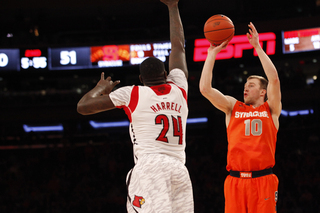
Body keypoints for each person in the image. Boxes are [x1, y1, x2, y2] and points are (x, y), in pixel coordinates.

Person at [77, 0, 194, 212]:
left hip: (150, 168)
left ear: (141, 79)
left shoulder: (133, 93)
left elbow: (83, 106)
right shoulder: (179, 88)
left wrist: (100, 87)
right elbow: (178, 47)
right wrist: (173, 7)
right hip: (179, 169)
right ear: (166, 74)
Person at [199, 22, 281, 213]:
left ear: (263, 92)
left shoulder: (272, 109)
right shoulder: (232, 107)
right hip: (235, 181)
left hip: (263, 180)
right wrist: (211, 54)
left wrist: (258, 47)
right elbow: (204, 89)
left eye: (251, 85)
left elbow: (274, 78)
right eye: (245, 84)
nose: (246, 87)